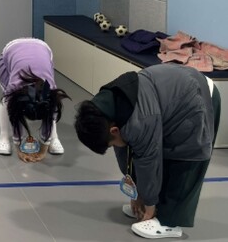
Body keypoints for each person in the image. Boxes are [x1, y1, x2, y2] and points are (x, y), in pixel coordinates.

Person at [75, 64, 220, 239]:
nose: (114, 146)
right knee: (144, 150)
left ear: (114, 131)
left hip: (199, 95)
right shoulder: (107, 112)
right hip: (174, 92)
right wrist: (137, 195)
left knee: (185, 157)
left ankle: (169, 222)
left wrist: (149, 205)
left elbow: (148, 160)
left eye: (111, 143)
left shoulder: (139, 121)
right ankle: (158, 205)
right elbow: (125, 153)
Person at [0, 38, 69, 162]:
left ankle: (54, 137)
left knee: (51, 108)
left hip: (42, 48)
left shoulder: (50, 88)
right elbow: (14, 116)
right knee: (6, 101)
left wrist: (43, 150)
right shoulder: (14, 88)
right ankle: (3, 138)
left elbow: (51, 114)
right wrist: (18, 149)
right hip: (10, 50)